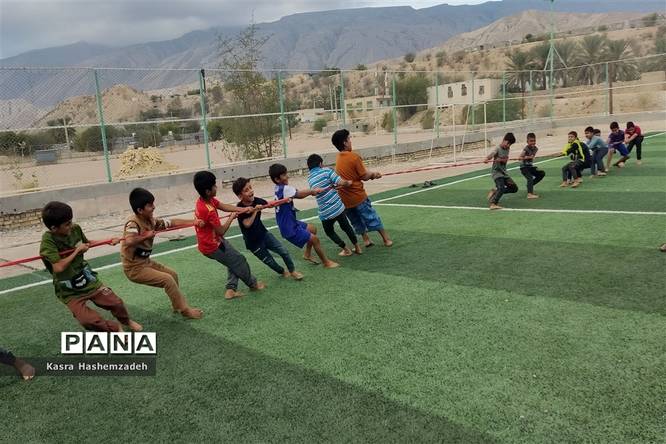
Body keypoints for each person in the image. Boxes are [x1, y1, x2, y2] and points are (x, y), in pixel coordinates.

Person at [39, 201, 143, 332]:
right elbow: (58, 267)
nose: (71, 226)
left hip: (86, 277)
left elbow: (87, 243)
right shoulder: (48, 241)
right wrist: (77, 251)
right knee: (87, 321)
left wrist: (107, 241)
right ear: (54, 228)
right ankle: (115, 328)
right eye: (67, 224)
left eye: (70, 221)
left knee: (116, 303)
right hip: (68, 289)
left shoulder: (75, 229)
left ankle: (126, 321)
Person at [121, 187, 203, 319]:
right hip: (134, 269)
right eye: (150, 205)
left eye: (153, 203)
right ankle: (185, 310)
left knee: (173, 275)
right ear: (140, 210)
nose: (153, 207)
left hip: (146, 262)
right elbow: (129, 240)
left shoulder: (151, 220)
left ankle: (177, 306)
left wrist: (194, 222)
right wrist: (145, 236)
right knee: (167, 280)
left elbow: (171, 223)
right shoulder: (132, 223)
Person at [193, 171, 265, 300]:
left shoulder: (204, 200)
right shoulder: (209, 210)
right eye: (214, 186)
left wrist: (243, 209)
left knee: (232, 260)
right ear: (208, 191)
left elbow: (222, 206)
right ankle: (253, 284)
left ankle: (230, 290)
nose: (216, 187)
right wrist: (231, 218)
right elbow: (221, 231)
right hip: (213, 246)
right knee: (239, 260)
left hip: (211, 242)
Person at [268, 163, 339, 268]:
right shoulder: (285, 189)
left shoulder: (279, 188)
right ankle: (326, 263)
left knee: (312, 229)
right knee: (315, 239)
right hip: (289, 228)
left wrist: (311, 191)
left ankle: (307, 254)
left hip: (290, 222)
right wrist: (312, 191)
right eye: (284, 175)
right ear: (277, 179)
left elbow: (297, 192)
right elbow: (299, 195)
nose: (287, 176)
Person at [232, 177, 303, 280]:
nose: (250, 191)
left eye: (250, 188)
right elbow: (247, 224)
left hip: (264, 234)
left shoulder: (257, 200)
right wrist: (255, 211)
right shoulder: (239, 208)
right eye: (246, 190)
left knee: (283, 251)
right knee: (271, 262)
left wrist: (284, 200)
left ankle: (292, 271)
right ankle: (283, 271)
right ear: (240, 196)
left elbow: (270, 204)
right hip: (253, 243)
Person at [332, 129, 393, 248]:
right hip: (357, 196)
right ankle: (386, 239)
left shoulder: (338, 158)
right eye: (349, 139)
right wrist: (374, 174)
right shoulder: (354, 157)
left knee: (355, 220)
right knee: (371, 216)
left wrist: (371, 174)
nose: (351, 141)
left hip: (344, 199)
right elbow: (364, 176)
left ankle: (366, 240)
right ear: (344, 142)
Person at [307, 154, 362, 256]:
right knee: (346, 227)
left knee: (329, 232)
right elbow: (340, 182)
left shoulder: (309, 178)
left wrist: (333, 186)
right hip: (338, 207)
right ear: (320, 164)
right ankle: (357, 247)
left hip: (325, 212)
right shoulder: (327, 171)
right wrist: (348, 183)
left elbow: (321, 189)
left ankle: (346, 249)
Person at [484, 132, 518, 210]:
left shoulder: (507, 149)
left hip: (504, 173)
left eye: (510, 144)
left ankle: (495, 191)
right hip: (497, 173)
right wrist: (487, 158)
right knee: (501, 187)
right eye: (508, 143)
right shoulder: (498, 148)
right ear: (504, 140)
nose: (508, 145)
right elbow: (492, 154)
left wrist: (501, 160)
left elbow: (505, 160)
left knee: (514, 188)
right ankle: (493, 203)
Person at [518, 133, 545, 199]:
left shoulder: (535, 149)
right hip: (524, 167)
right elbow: (520, 158)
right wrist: (527, 157)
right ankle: (529, 194)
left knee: (541, 173)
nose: (533, 142)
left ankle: (529, 186)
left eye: (534, 141)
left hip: (530, 167)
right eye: (531, 141)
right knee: (530, 178)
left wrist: (531, 157)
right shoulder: (526, 149)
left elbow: (532, 157)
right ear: (527, 141)